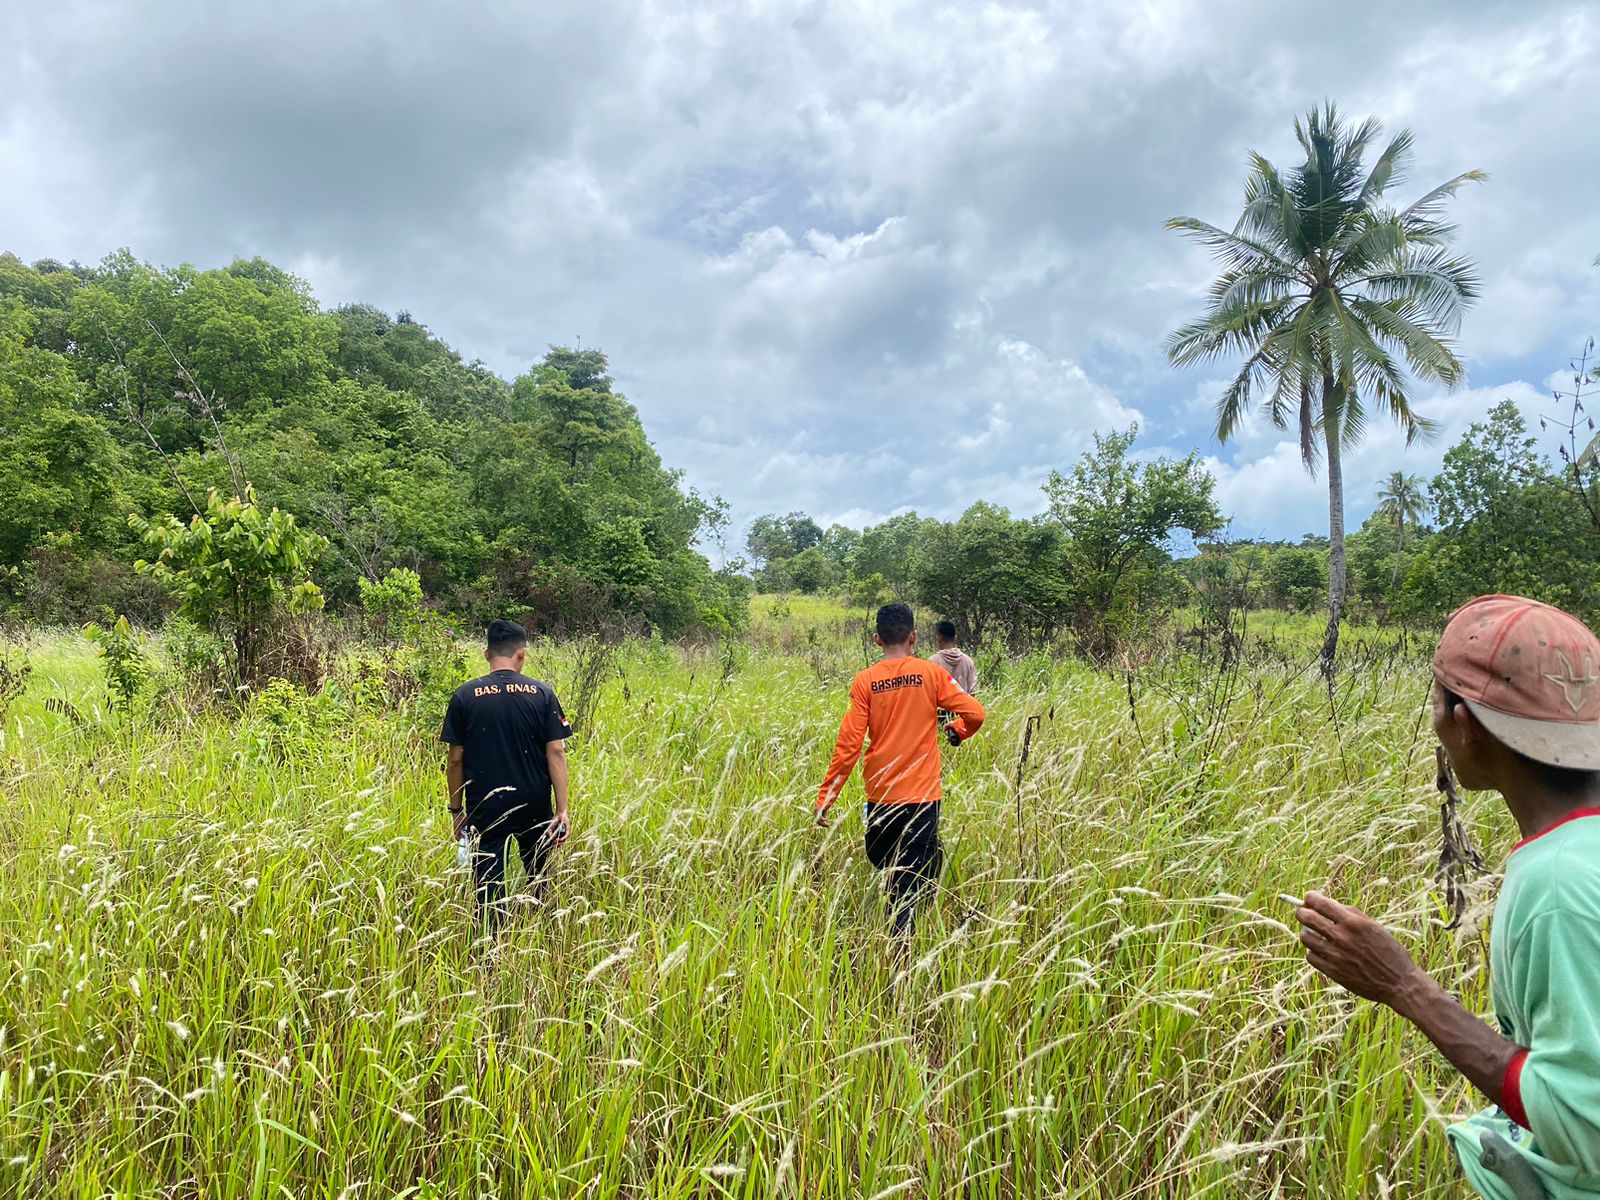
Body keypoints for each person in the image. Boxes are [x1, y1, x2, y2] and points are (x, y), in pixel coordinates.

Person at [1293, 595, 1600, 1200]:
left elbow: (1584, 1128)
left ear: (1465, 724)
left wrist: (1403, 986)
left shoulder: (1558, 883)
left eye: (1436, 701)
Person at [817, 603, 987, 936]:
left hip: (880, 796)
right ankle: (905, 931)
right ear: (914, 637)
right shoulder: (932, 674)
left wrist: (827, 796)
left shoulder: (865, 681)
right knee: (915, 871)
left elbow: (849, 745)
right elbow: (976, 713)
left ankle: (900, 933)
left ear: (877, 639)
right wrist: (957, 730)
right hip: (923, 797)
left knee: (886, 861)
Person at [441, 619, 573, 928]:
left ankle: (490, 955)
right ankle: (545, 937)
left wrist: (456, 811)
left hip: (486, 807)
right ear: (522, 655)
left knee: (487, 888)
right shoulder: (542, 694)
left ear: (486, 653)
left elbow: (455, 760)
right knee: (539, 878)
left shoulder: (464, 696)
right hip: (534, 803)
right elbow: (556, 751)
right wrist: (562, 810)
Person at [928, 619, 978, 696]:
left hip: (940, 707)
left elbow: (929, 692)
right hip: (963, 707)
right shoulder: (968, 661)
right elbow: (973, 691)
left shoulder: (932, 661)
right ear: (955, 638)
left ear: (939, 638)